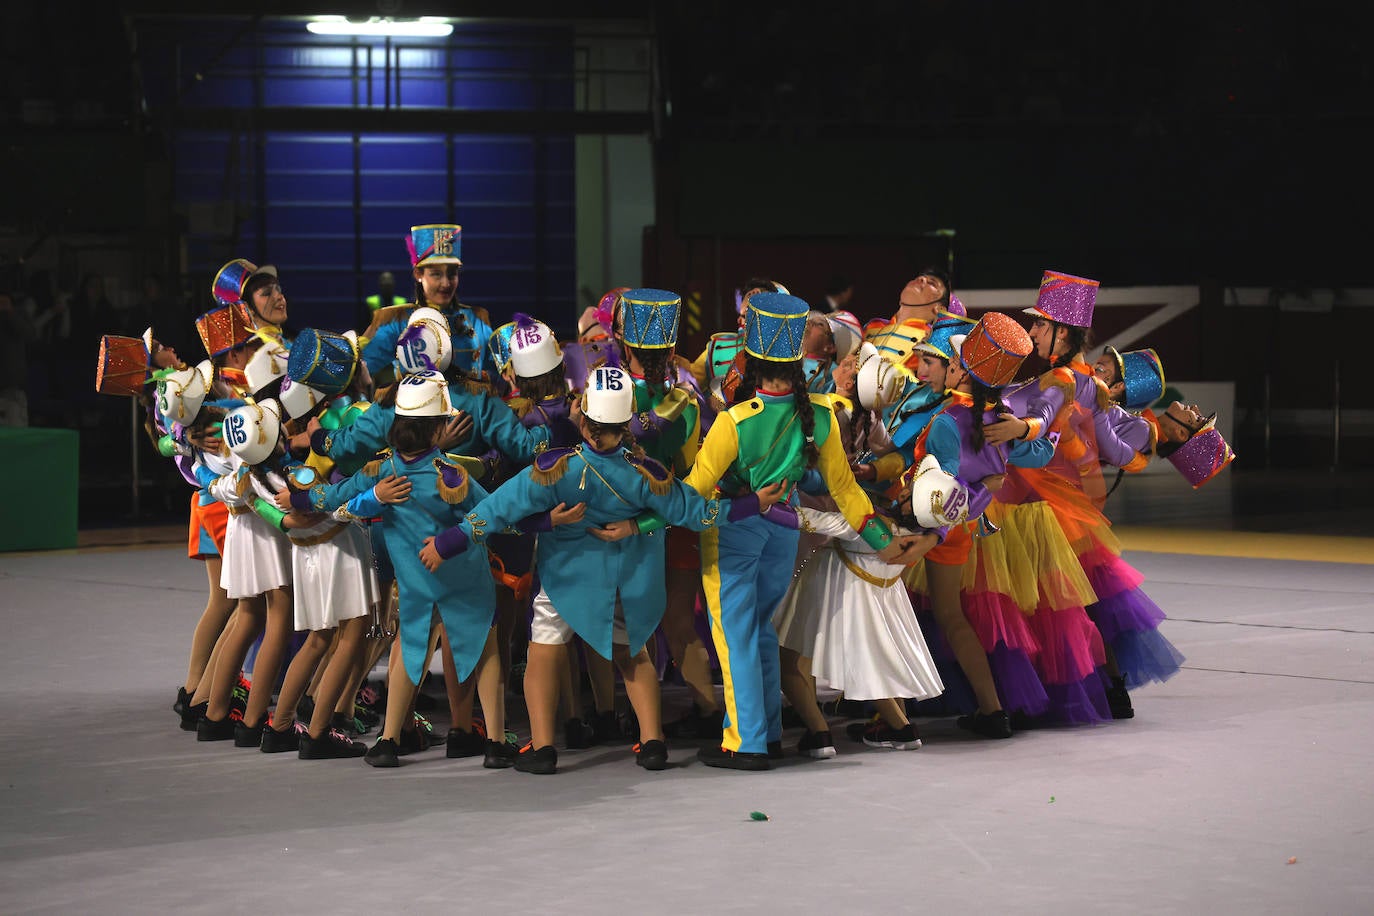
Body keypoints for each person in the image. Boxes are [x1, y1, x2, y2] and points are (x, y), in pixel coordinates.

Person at [420, 364, 789, 775]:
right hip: (626, 584)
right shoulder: (648, 473)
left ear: (587, 424)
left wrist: (445, 543)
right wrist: (754, 504)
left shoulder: (556, 468)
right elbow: (699, 513)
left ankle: (542, 748)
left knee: (543, 651)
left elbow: (494, 510)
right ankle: (652, 743)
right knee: (633, 658)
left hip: (567, 582)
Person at [681, 291, 934, 770]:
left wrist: (643, 510)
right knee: (759, 628)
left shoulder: (735, 421)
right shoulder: (819, 415)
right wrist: (884, 543)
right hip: (784, 532)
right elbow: (848, 494)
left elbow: (692, 493)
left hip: (736, 529)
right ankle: (769, 731)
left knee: (734, 634)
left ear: (750, 359)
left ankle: (746, 743)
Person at [284, 370, 514, 770]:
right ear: (440, 427)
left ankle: (388, 739)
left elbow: (332, 496)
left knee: (409, 651)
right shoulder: (453, 476)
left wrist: (298, 497)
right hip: (465, 577)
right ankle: (495, 741)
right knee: (485, 649)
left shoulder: (379, 472)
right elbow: (493, 514)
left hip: (416, 583)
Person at [361, 224, 496, 386]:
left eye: (452, 274)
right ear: (418, 274)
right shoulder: (398, 321)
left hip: (472, 409)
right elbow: (364, 368)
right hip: (415, 409)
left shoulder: (475, 319)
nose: (446, 283)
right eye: (436, 274)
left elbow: (501, 369)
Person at [0, 291, 35, 426]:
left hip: (12, 382)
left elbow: (30, 334)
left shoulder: (17, 314)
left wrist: (9, 313)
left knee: (15, 425)